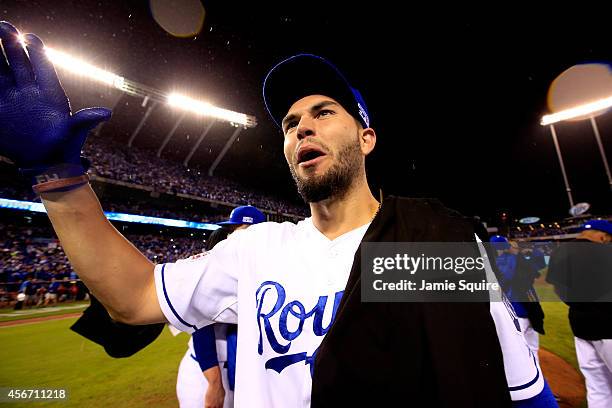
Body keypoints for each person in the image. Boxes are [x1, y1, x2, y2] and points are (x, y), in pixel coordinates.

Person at [0, 22, 556, 407]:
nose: (301, 127)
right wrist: (59, 180)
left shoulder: (425, 248)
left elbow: (523, 394)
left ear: (366, 138)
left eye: (322, 112)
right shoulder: (258, 250)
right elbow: (135, 297)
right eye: (290, 124)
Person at [177, 205, 265, 408]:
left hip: (243, 372)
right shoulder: (215, 266)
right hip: (209, 370)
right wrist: (214, 383)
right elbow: (200, 325)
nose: (233, 236)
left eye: (238, 230)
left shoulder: (259, 269)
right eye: (232, 231)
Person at [546, 219, 612, 408]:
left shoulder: (560, 251)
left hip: (580, 325)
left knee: (598, 386)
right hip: (609, 326)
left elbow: (558, 288)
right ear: (603, 236)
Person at [490, 235, 545, 362]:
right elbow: (537, 271)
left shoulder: (490, 264)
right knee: (531, 345)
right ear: (507, 247)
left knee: (514, 347)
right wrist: (528, 252)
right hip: (527, 307)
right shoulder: (518, 260)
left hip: (508, 311)